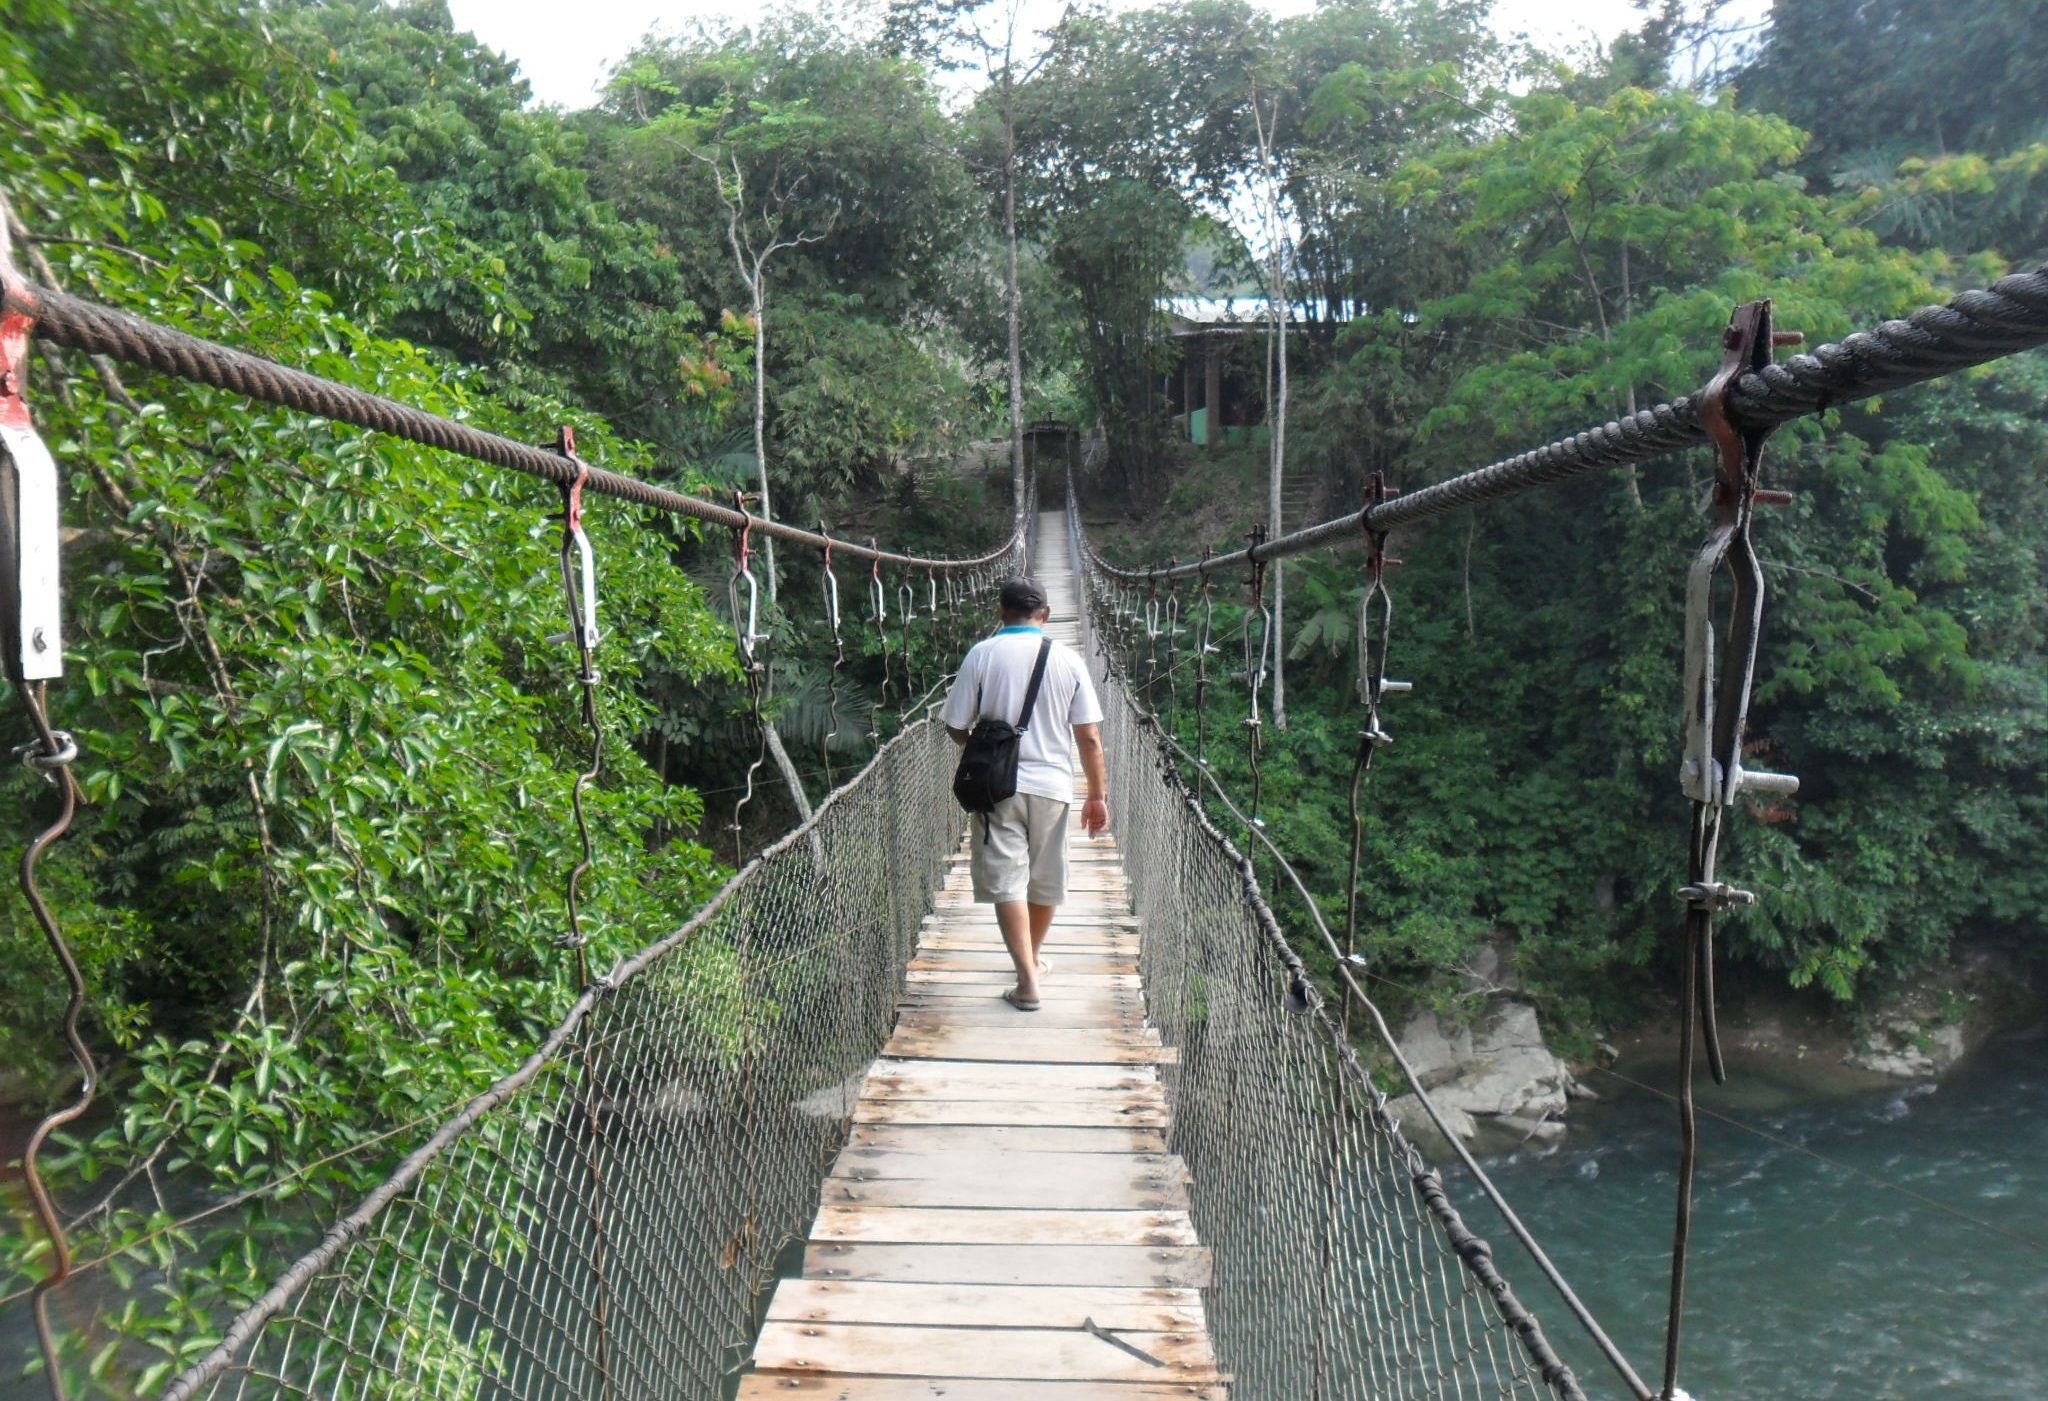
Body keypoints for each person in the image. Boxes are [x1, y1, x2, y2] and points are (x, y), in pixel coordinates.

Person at [941, 576, 1109, 1011]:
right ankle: (1031, 961)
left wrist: (987, 750)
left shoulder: (982, 654)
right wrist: (1097, 796)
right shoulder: (1068, 659)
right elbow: (1088, 737)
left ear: (1002, 611)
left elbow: (955, 724)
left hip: (998, 788)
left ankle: (1027, 978)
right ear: (1046, 616)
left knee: (1008, 880)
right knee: (1046, 879)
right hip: (1054, 786)